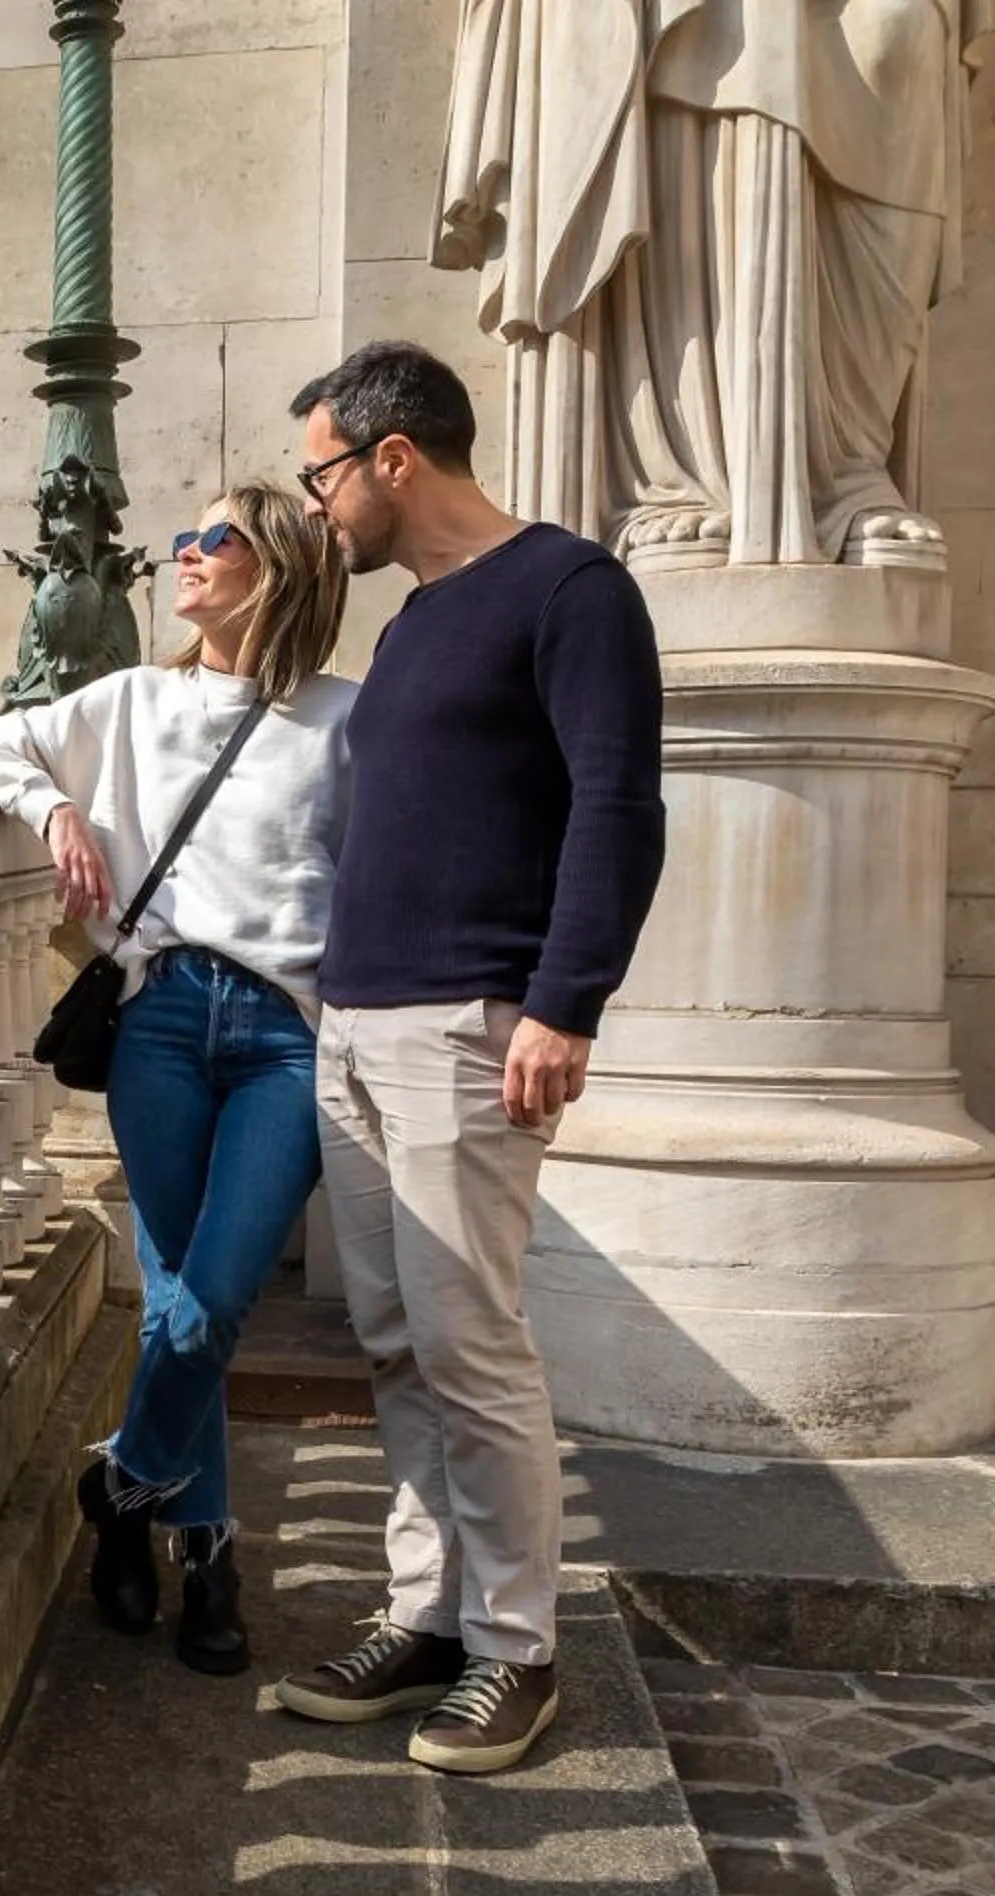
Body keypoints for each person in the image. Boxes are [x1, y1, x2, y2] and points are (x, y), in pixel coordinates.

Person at [272, 341, 665, 1773]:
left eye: (323, 474)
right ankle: (428, 1615)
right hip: (360, 1023)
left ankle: (516, 1651)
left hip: (472, 1024)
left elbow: (619, 806)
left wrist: (567, 1002)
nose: (317, 506)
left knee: (470, 1344)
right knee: (391, 1345)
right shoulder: (411, 624)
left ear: (392, 459)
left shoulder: (569, 591)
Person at [0, 482, 354, 1676]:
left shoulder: (345, 722)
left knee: (215, 1295)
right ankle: (206, 1551)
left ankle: (121, 1487)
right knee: (179, 1287)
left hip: (287, 1032)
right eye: (182, 538)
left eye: (212, 539)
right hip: (161, 1017)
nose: (182, 554)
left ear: (275, 565)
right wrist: (55, 801)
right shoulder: (134, 700)